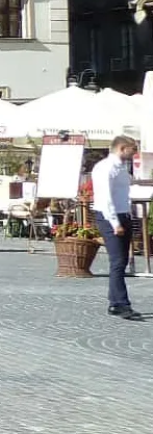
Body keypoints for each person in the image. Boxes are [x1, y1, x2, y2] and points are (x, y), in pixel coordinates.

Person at [93, 135, 142, 321]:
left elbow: (123, 193)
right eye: (133, 149)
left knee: (120, 261)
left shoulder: (121, 168)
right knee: (117, 262)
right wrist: (115, 223)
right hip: (110, 216)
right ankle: (120, 303)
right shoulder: (106, 168)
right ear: (122, 148)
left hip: (124, 214)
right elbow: (105, 198)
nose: (134, 153)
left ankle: (116, 301)